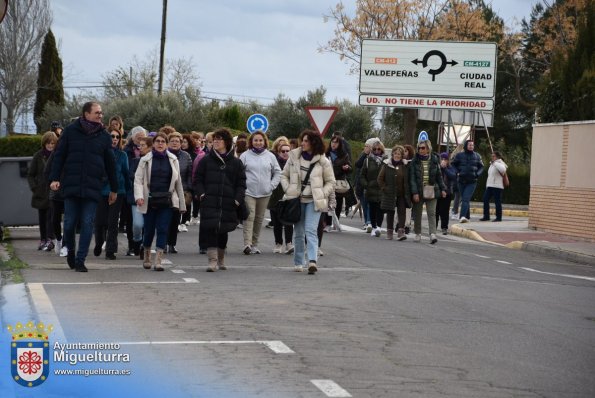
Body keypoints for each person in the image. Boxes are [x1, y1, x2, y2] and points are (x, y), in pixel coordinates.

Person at [49, 101, 118, 272]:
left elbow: (110, 164)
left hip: (93, 186)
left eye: (101, 112)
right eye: (97, 112)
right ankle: (71, 251)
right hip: (71, 185)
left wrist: (114, 188)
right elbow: (59, 156)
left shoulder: (104, 136)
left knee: (87, 223)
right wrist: (54, 178)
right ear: (86, 114)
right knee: (70, 223)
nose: (101, 115)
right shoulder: (71, 131)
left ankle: (80, 260)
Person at [280, 129, 335, 274]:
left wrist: (322, 193)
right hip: (297, 201)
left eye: (306, 141)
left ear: (313, 143)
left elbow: (331, 181)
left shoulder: (323, 160)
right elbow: (283, 175)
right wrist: (289, 189)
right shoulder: (294, 157)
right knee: (298, 232)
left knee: (311, 231)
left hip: (314, 201)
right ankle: (298, 262)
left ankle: (312, 261)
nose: (302, 143)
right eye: (302, 140)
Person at [194, 128, 246, 272]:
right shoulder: (205, 160)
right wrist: (202, 194)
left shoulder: (236, 163)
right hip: (209, 201)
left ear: (227, 142)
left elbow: (241, 184)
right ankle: (212, 260)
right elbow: (198, 179)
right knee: (210, 229)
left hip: (228, 202)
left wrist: (237, 200)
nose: (216, 141)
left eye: (219, 139)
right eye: (214, 139)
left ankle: (221, 258)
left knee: (223, 231)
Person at [134, 132, 186, 271]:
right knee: (149, 230)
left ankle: (158, 260)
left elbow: (178, 183)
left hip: (167, 200)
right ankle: (146, 255)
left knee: (163, 229)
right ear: (154, 143)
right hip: (149, 199)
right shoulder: (145, 159)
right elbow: (138, 180)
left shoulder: (173, 159)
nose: (160, 143)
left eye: (163, 141)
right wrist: (139, 196)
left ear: (167, 144)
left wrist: (182, 203)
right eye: (158, 141)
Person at [239, 131, 281, 254]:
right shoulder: (245, 156)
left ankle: (254, 244)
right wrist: (243, 187)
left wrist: (271, 185)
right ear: (251, 142)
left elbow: (278, 172)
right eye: (255, 140)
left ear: (264, 142)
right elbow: (240, 173)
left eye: (260, 140)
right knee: (249, 216)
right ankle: (247, 244)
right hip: (249, 192)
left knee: (259, 218)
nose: (258, 142)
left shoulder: (270, 156)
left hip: (265, 193)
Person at [93, 128, 130, 260]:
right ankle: (99, 242)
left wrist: (129, 192)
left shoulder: (123, 155)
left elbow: (126, 174)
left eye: (117, 137)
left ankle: (110, 250)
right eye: (112, 136)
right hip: (101, 191)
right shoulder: (99, 154)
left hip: (118, 191)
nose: (114, 139)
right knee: (99, 221)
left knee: (112, 222)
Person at [408, 139, 446, 244]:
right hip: (419, 191)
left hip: (431, 190)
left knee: (432, 213)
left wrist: (443, 189)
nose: (420, 150)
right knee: (417, 213)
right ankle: (417, 233)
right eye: (419, 148)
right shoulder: (414, 161)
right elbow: (412, 179)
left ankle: (432, 234)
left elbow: (439, 176)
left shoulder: (434, 160)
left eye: (423, 148)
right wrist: (414, 192)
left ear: (428, 149)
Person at [28, 131, 58, 251]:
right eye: (48, 143)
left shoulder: (58, 155)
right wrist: (35, 188)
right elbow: (30, 174)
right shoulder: (38, 156)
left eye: (53, 143)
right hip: (41, 192)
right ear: (44, 143)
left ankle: (50, 239)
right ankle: (43, 239)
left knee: (52, 217)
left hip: (54, 191)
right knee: (42, 217)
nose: (50, 145)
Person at [165, 131, 193, 251]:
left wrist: (188, 189)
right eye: (172, 141)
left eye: (177, 141)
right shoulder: (164, 155)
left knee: (176, 218)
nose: (175, 143)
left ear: (181, 143)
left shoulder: (186, 156)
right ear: (168, 143)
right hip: (166, 190)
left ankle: (172, 244)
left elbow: (189, 174)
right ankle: (163, 243)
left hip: (180, 190)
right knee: (165, 217)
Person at [122, 126, 147, 256]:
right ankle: (132, 245)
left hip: (147, 193)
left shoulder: (150, 153)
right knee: (132, 221)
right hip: (130, 190)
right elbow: (127, 172)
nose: (140, 140)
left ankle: (143, 244)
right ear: (132, 137)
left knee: (144, 221)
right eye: (138, 137)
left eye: (142, 137)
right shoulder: (127, 151)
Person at [378, 145, 411, 240]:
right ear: (392, 154)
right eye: (395, 153)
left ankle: (401, 232)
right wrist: (384, 188)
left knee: (402, 211)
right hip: (390, 193)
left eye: (399, 154)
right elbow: (380, 179)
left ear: (401, 155)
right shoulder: (387, 165)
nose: (397, 155)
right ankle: (389, 232)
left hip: (401, 193)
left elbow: (407, 179)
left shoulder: (405, 165)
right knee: (390, 212)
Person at [127, 136, 152, 259]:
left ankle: (144, 246)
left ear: (150, 148)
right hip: (137, 196)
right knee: (137, 224)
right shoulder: (135, 161)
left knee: (149, 224)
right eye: (139, 145)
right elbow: (131, 175)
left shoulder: (155, 162)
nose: (140, 147)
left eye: (143, 145)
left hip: (152, 197)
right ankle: (137, 240)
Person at [267, 139, 294, 254]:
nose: (285, 153)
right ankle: (278, 243)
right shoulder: (273, 164)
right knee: (276, 222)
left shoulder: (294, 164)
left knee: (288, 221)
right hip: (275, 196)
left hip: (289, 195)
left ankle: (289, 243)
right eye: (282, 151)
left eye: (288, 151)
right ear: (278, 152)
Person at [451, 140, 484, 223]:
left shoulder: (477, 156)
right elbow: (453, 164)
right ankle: (467, 216)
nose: (471, 146)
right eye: (469, 145)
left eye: (472, 145)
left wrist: (477, 174)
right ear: (466, 145)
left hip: (472, 181)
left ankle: (462, 217)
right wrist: (457, 172)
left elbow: (481, 167)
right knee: (465, 199)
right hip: (461, 180)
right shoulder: (459, 155)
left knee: (465, 199)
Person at [325, 135, 352, 230]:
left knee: (338, 203)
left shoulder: (344, 155)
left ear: (340, 144)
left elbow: (349, 167)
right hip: (328, 181)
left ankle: (335, 222)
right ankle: (327, 223)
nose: (334, 144)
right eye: (332, 142)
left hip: (338, 181)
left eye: (336, 142)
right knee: (327, 202)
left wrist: (346, 168)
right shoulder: (326, 154)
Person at [360, 140, 387, 237]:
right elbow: (362, 175)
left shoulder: (386, 161)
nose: (377, 151)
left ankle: (379, 227)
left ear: (382, 150)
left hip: (381, 188)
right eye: (375, 149)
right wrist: (366, 185)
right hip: (371, 188)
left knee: (381, 208)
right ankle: (374, 226)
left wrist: (386, 186)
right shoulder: (367, 160)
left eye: (379, 149)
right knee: (372, 209)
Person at [354, 138, 377, 231]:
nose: (366, 148)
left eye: (368, 146)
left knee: (369, 204)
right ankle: (367, 221)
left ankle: (369, 222)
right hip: (361, 183)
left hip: (371, 184)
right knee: (364, 203)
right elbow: (358, 164)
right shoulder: (363, 155)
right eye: (365, 146)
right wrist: (364, 154)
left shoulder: (375, 157)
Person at [481, 151, 507, 222]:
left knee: (497, 202)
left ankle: (499, 217)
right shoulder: (492, 164)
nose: (492, 157)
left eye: (493, 156)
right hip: (490, 185)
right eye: (492, 156)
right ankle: (486, 216)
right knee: (485, 199)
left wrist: (495, 163)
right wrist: (487, 185)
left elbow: (503, 170)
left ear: (497, 157)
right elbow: (490, 176)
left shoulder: (500, 163)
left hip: (497, 186)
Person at [436, 152, 457, 234]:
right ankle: (434, 226)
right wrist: (440, 168)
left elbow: (453, 176)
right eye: (442, 159)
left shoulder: (451, 168)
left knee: (445, 211)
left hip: (447, 193)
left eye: (445, 159)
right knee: (436, 210)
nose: (444, 161)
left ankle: (444, 227)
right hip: (437, 192)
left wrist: (445, 168)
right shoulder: (437, 167)